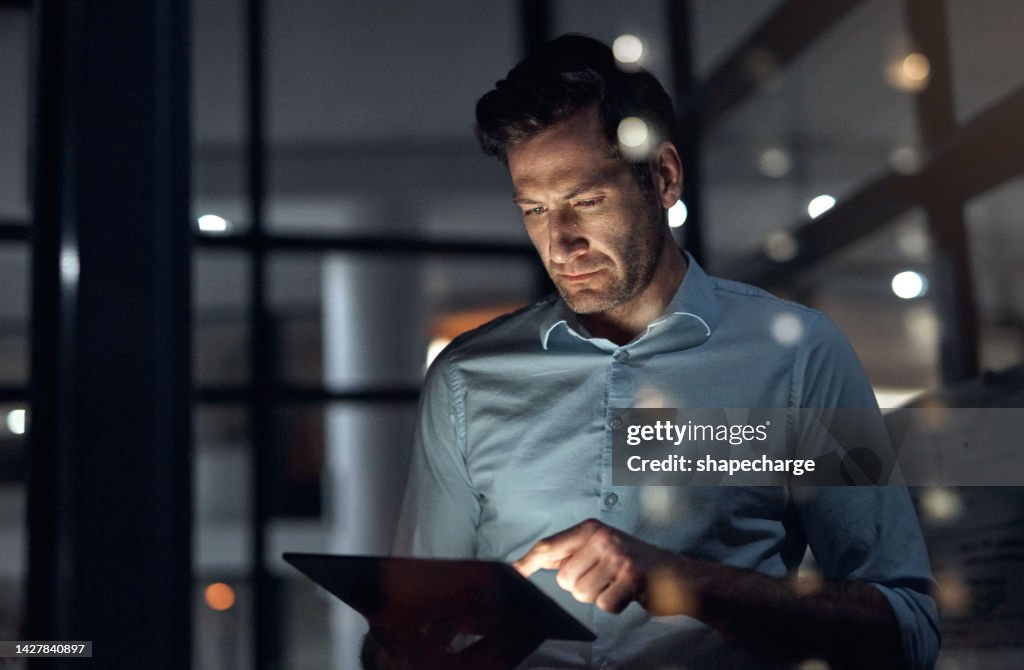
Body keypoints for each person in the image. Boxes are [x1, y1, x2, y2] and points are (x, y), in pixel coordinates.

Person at [377, 34, 940, 669]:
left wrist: (682, 583)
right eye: (534, 209)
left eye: (586, 201)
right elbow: (402, 638)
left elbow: (905, 631)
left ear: (664, 177)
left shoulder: (800, 357)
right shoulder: (465, 380)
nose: (561, 243)